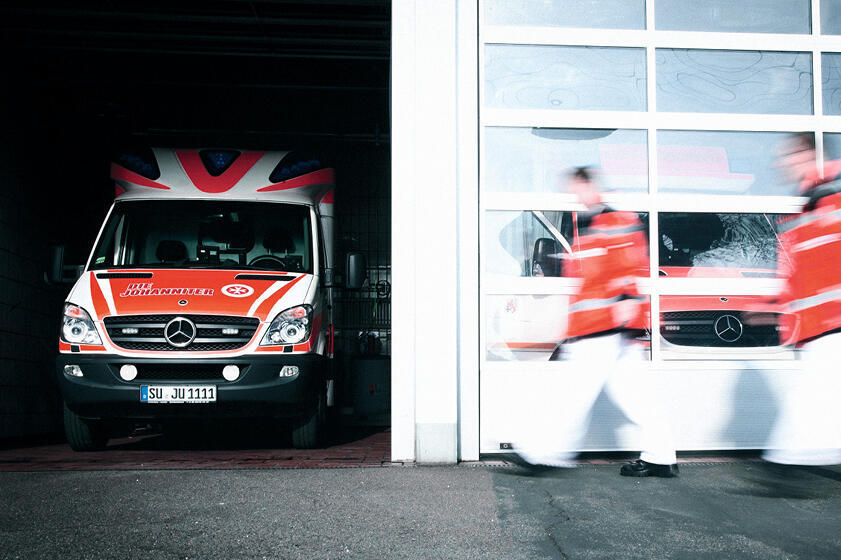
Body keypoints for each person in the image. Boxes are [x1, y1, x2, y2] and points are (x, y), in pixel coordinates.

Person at [515, 167, 679, 477]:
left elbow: (630, 263)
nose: (573, 196)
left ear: (588, 185)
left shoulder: (613, 220)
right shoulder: (593, 223)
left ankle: (543, 453)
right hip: (605, 329)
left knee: (573, 392)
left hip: (603, 327)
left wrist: (627, 301)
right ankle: (662, 456)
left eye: (575, 188)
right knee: (636, 396)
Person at [759, 133, 841, 465]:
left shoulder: (830, 198)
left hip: (831, 323)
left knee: (809, 397)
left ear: (809, 155)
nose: (782, 163)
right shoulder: (807, 205)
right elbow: (799, 273)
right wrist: (773, 308)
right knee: (816, 396)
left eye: (789, 155)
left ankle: (785, 465)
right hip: (818, 325)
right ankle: (788, 461)